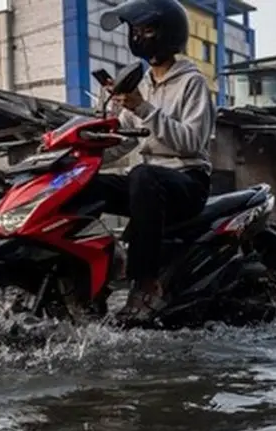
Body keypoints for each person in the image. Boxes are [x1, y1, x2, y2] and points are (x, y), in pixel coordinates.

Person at [86, 0, 216, 323]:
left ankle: (146, 283)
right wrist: (88, 151)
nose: (138, 36)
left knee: (143, 175)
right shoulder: (140, 84)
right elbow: (126, 141)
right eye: (135, 30)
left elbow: (191, 142)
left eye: (146, 29)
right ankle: (89, 278)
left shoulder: (192, 83)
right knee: (86, 184)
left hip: (187, 182)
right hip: (146, 186)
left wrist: (144, 109)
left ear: (167, 33)